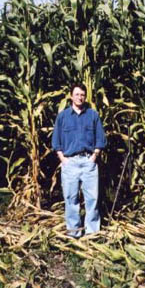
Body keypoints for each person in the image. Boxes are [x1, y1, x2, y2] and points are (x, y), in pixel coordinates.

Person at [52, 83, 107, 238]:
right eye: (77, 94)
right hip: (70, 163)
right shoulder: (62, 116)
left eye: (82, 94)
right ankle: (74, 233)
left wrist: (94, 156)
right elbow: (56, 141)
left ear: (85, 96)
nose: (80, 97)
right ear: (71, 96)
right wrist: (63, 159)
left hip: (88, 162)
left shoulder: (93, 115)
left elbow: (100, 139)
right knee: (71, 199)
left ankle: (92, 233)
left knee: (92, 199)